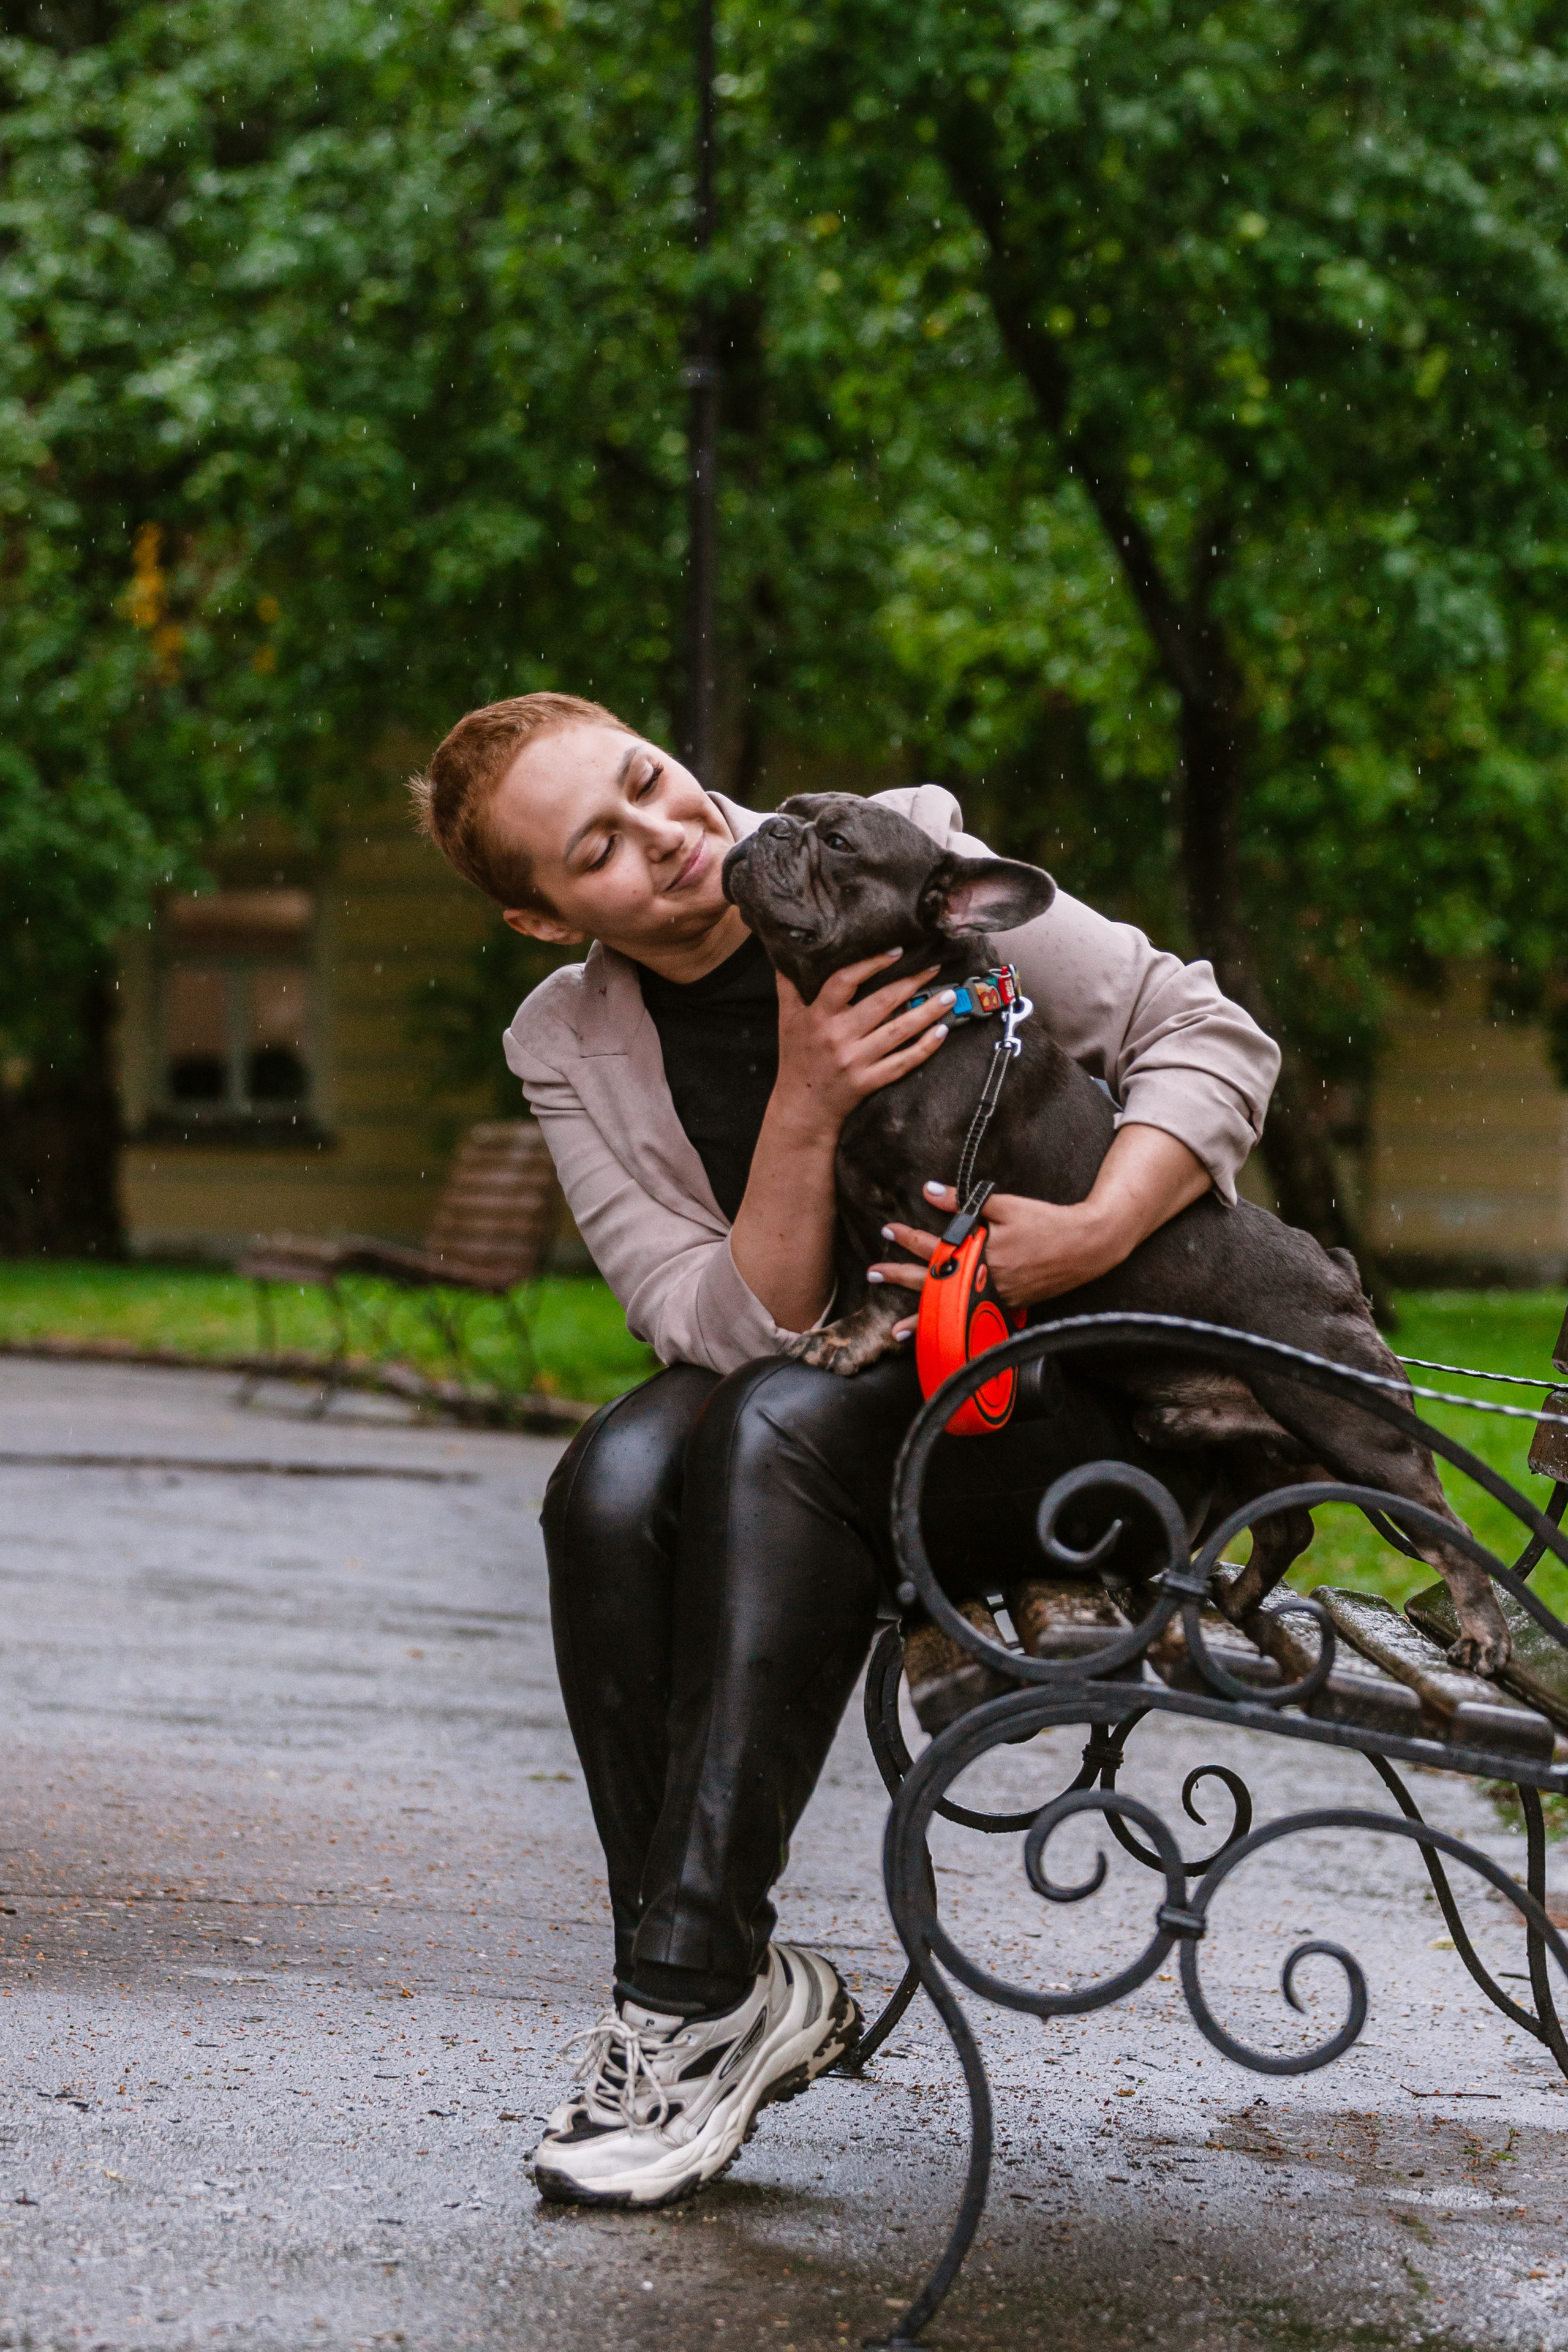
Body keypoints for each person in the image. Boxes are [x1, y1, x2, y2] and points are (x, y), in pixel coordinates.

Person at [409, 691, 1280, 2209]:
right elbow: (703, 1314)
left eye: (650, 781)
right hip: (821, 1390)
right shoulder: (569, 1041)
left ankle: (679, 2002)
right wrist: (803, 1112)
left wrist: (1092, 1231)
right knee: (608, 1484)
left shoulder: (894, 859)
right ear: (543, 921)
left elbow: (1197, 1032)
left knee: (772, 1427)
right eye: (597, 851)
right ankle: (705, 1993)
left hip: (1058, 1419)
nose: (670, 839)